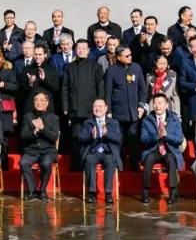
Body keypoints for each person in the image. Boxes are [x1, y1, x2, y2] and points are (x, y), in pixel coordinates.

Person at [105, 45, 147, 170]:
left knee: (133, 142)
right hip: (118, 113)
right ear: (118, 57)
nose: (130, 57)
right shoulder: (111, 70)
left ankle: (134, 168)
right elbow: (108, 93)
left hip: (134, 113)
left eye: (130, 55)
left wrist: (141, 106)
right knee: (119, 141)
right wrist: (109, 111)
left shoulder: (136, 68)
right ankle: (120, 167)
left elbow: (143, 90)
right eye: (126, 56)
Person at [63, 39, 103, 167]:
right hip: (75, 110)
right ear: (75, 50)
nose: (81, 51)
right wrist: (65, 107)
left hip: (91, 110)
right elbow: (65, 88)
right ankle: (76, 167)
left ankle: (88, 165)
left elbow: (100, 87)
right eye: (78, 48)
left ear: (88, 50)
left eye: (83, 48)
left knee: (91, 137)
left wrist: (100, 107)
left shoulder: (95, 66)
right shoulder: (70, 66)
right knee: (76, 138)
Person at [138, 93, 183, 204]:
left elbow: (179, 139)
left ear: (166, 105)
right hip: (153, 149)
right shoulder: (147, 120)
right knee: (148, 159)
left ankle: (173, 192)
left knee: (172, 160)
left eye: (160, 103)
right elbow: (143, 139)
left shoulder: (174, 119)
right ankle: (145, 192)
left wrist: (167, 136)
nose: (157, 106)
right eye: (155, 103)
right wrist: (156, 136)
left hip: (169, 149)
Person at [77, 98, 121, 205]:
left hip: (108, 152)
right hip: (93, 151)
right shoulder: (88, 122)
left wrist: (107, 134)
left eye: (100, 106)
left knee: (110, 161)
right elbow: (81, 138)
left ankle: (108, 193)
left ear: (106, 108)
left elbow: (118, 138)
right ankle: (91, 193)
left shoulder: (113, 122)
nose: (98, 109)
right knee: (89, 160)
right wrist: (91, 136)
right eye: (95, 106)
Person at [19, 91, 60, 200]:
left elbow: (54, 137)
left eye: (42, 100)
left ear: (47, 103)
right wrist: (34, 131)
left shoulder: (54, 118)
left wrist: (43, 129)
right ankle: (32, 190)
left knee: (46, 163)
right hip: (32, 150)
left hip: (48, 151)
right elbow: (23, 135)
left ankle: (42, 190)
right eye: (36, 100)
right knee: (23, 163)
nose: (39, 102)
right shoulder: (28, 117)